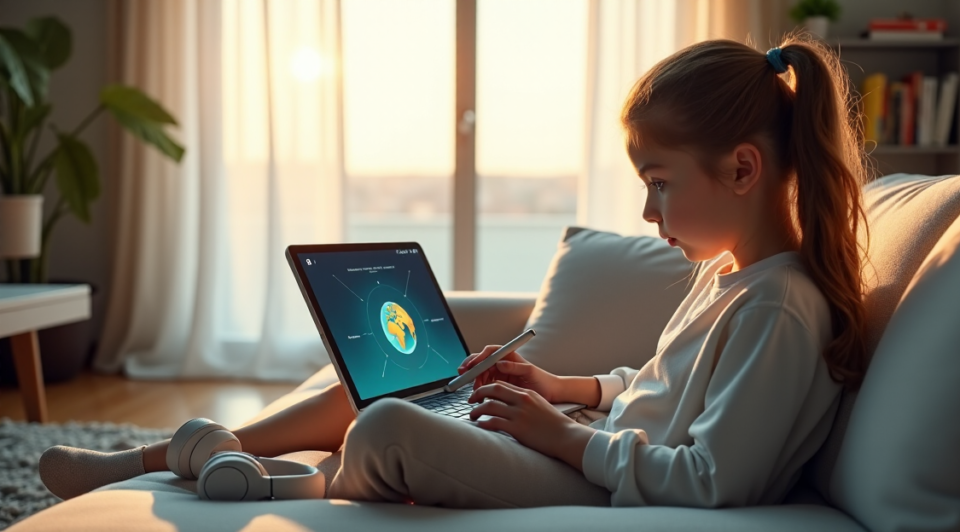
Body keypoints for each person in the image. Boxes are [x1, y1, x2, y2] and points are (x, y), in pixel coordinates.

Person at [39, 34, 869, 508]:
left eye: (659, 184)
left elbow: (712, 479)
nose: (649, 213)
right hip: (585, 445)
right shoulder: (727, 276)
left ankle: (274, 482)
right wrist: (565, 390)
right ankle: (157, 458)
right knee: (392, 380)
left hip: (593, 481)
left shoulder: (778, 310)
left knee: (391, 425)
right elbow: (659, 383)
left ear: (743, 170)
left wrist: (567, 440)